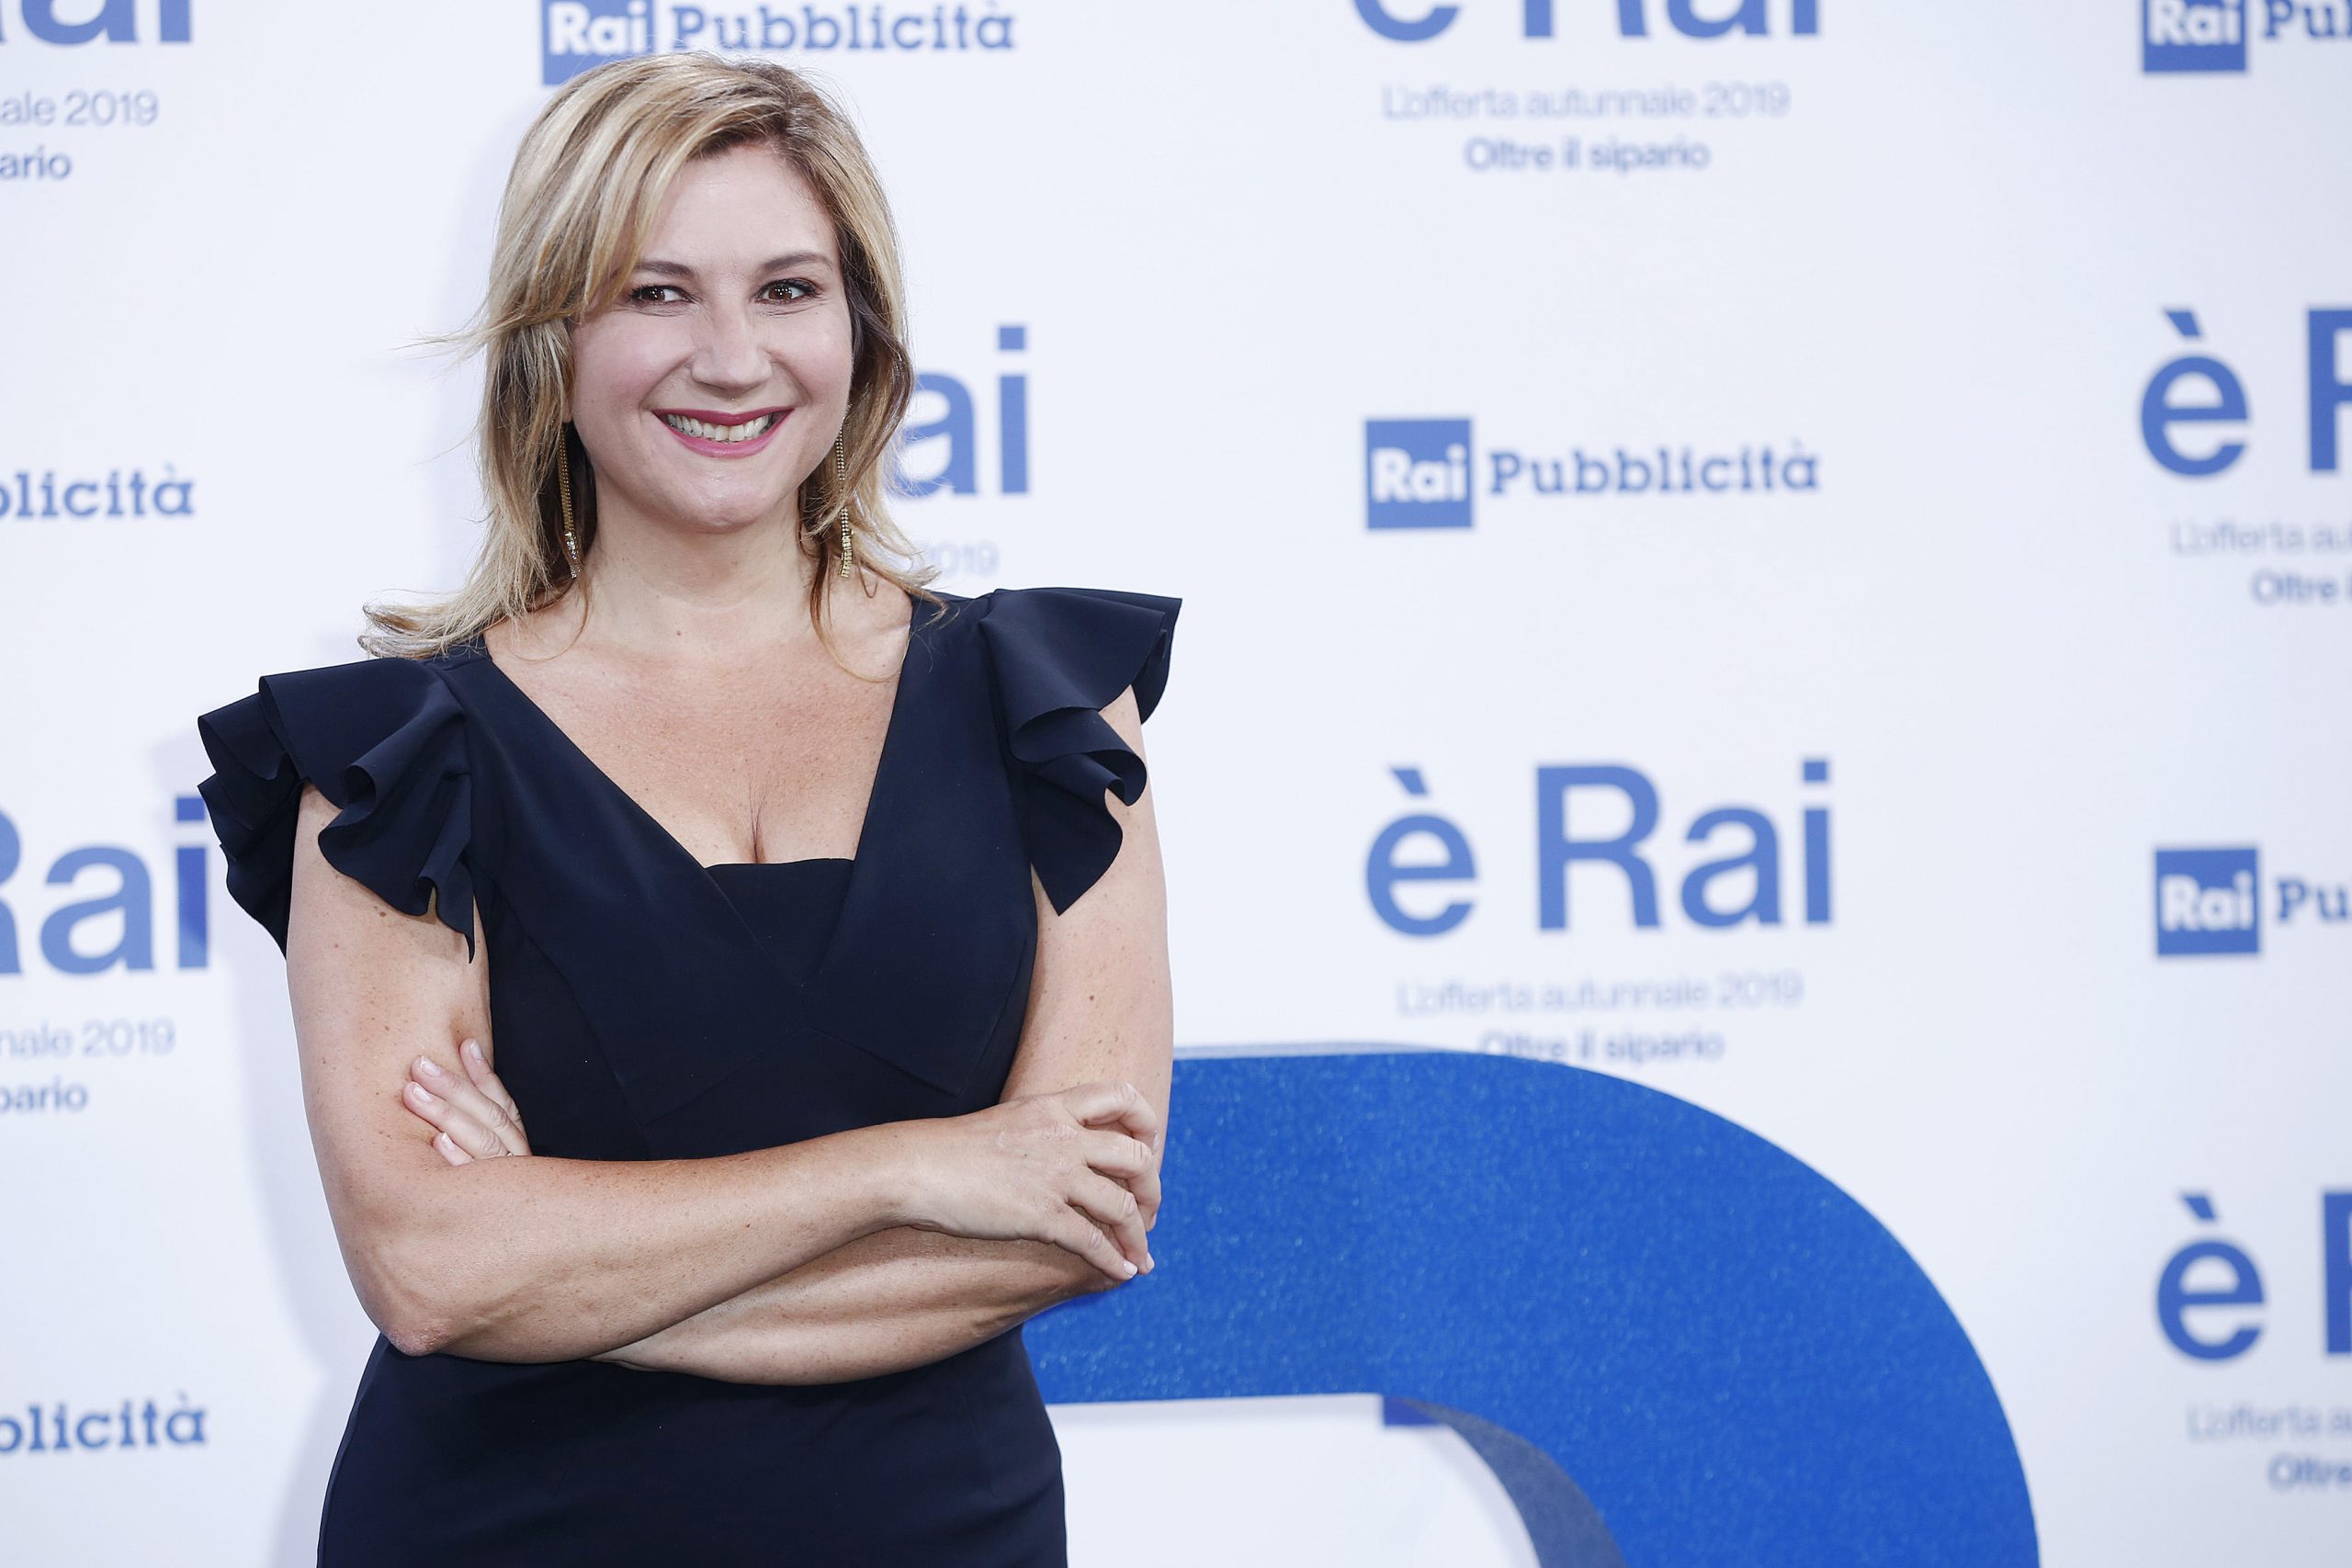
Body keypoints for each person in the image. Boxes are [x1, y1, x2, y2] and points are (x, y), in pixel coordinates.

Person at [192, 51, 1180, 1565]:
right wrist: (916, 1169)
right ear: (553, 339)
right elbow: (432, 1271)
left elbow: (1081, 1216)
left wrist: (570, 1271)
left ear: (861, 331)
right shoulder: (398, 755)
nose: (731, 358)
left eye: (788, 290)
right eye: (656, 294)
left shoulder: (1046, 707)